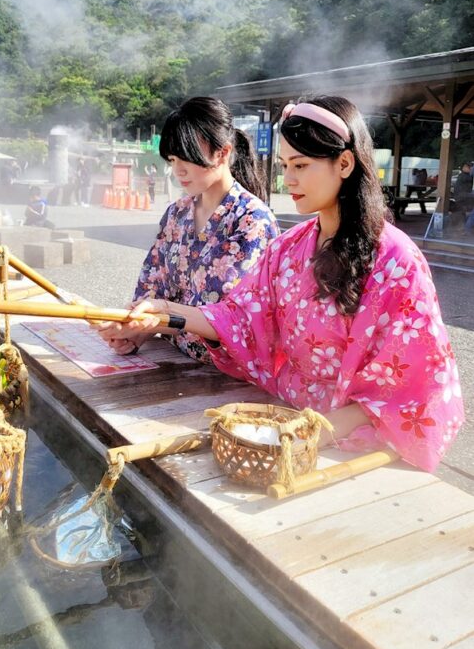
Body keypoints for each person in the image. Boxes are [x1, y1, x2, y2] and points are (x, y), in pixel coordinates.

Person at [110, 96, 464, 472]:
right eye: (284, 165)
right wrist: (167, 313)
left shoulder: (397, 261)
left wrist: (316, 429)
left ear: (344, 163)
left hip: (352, 445)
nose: (288, 179)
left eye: (301, 165)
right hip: (285, 421)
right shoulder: (288, 247)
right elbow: (239, 318)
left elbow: (413, 386)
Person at [100, 96, 279, 363]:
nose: (178, 170)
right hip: (174, 362)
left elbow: (232, 319)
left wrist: (155, 320)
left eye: (187, 158)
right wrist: (136, 332)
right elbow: (153, 291)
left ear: (222, 152)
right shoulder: (176, 214)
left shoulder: (253, 221)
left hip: (229, 376)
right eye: (172, 160)